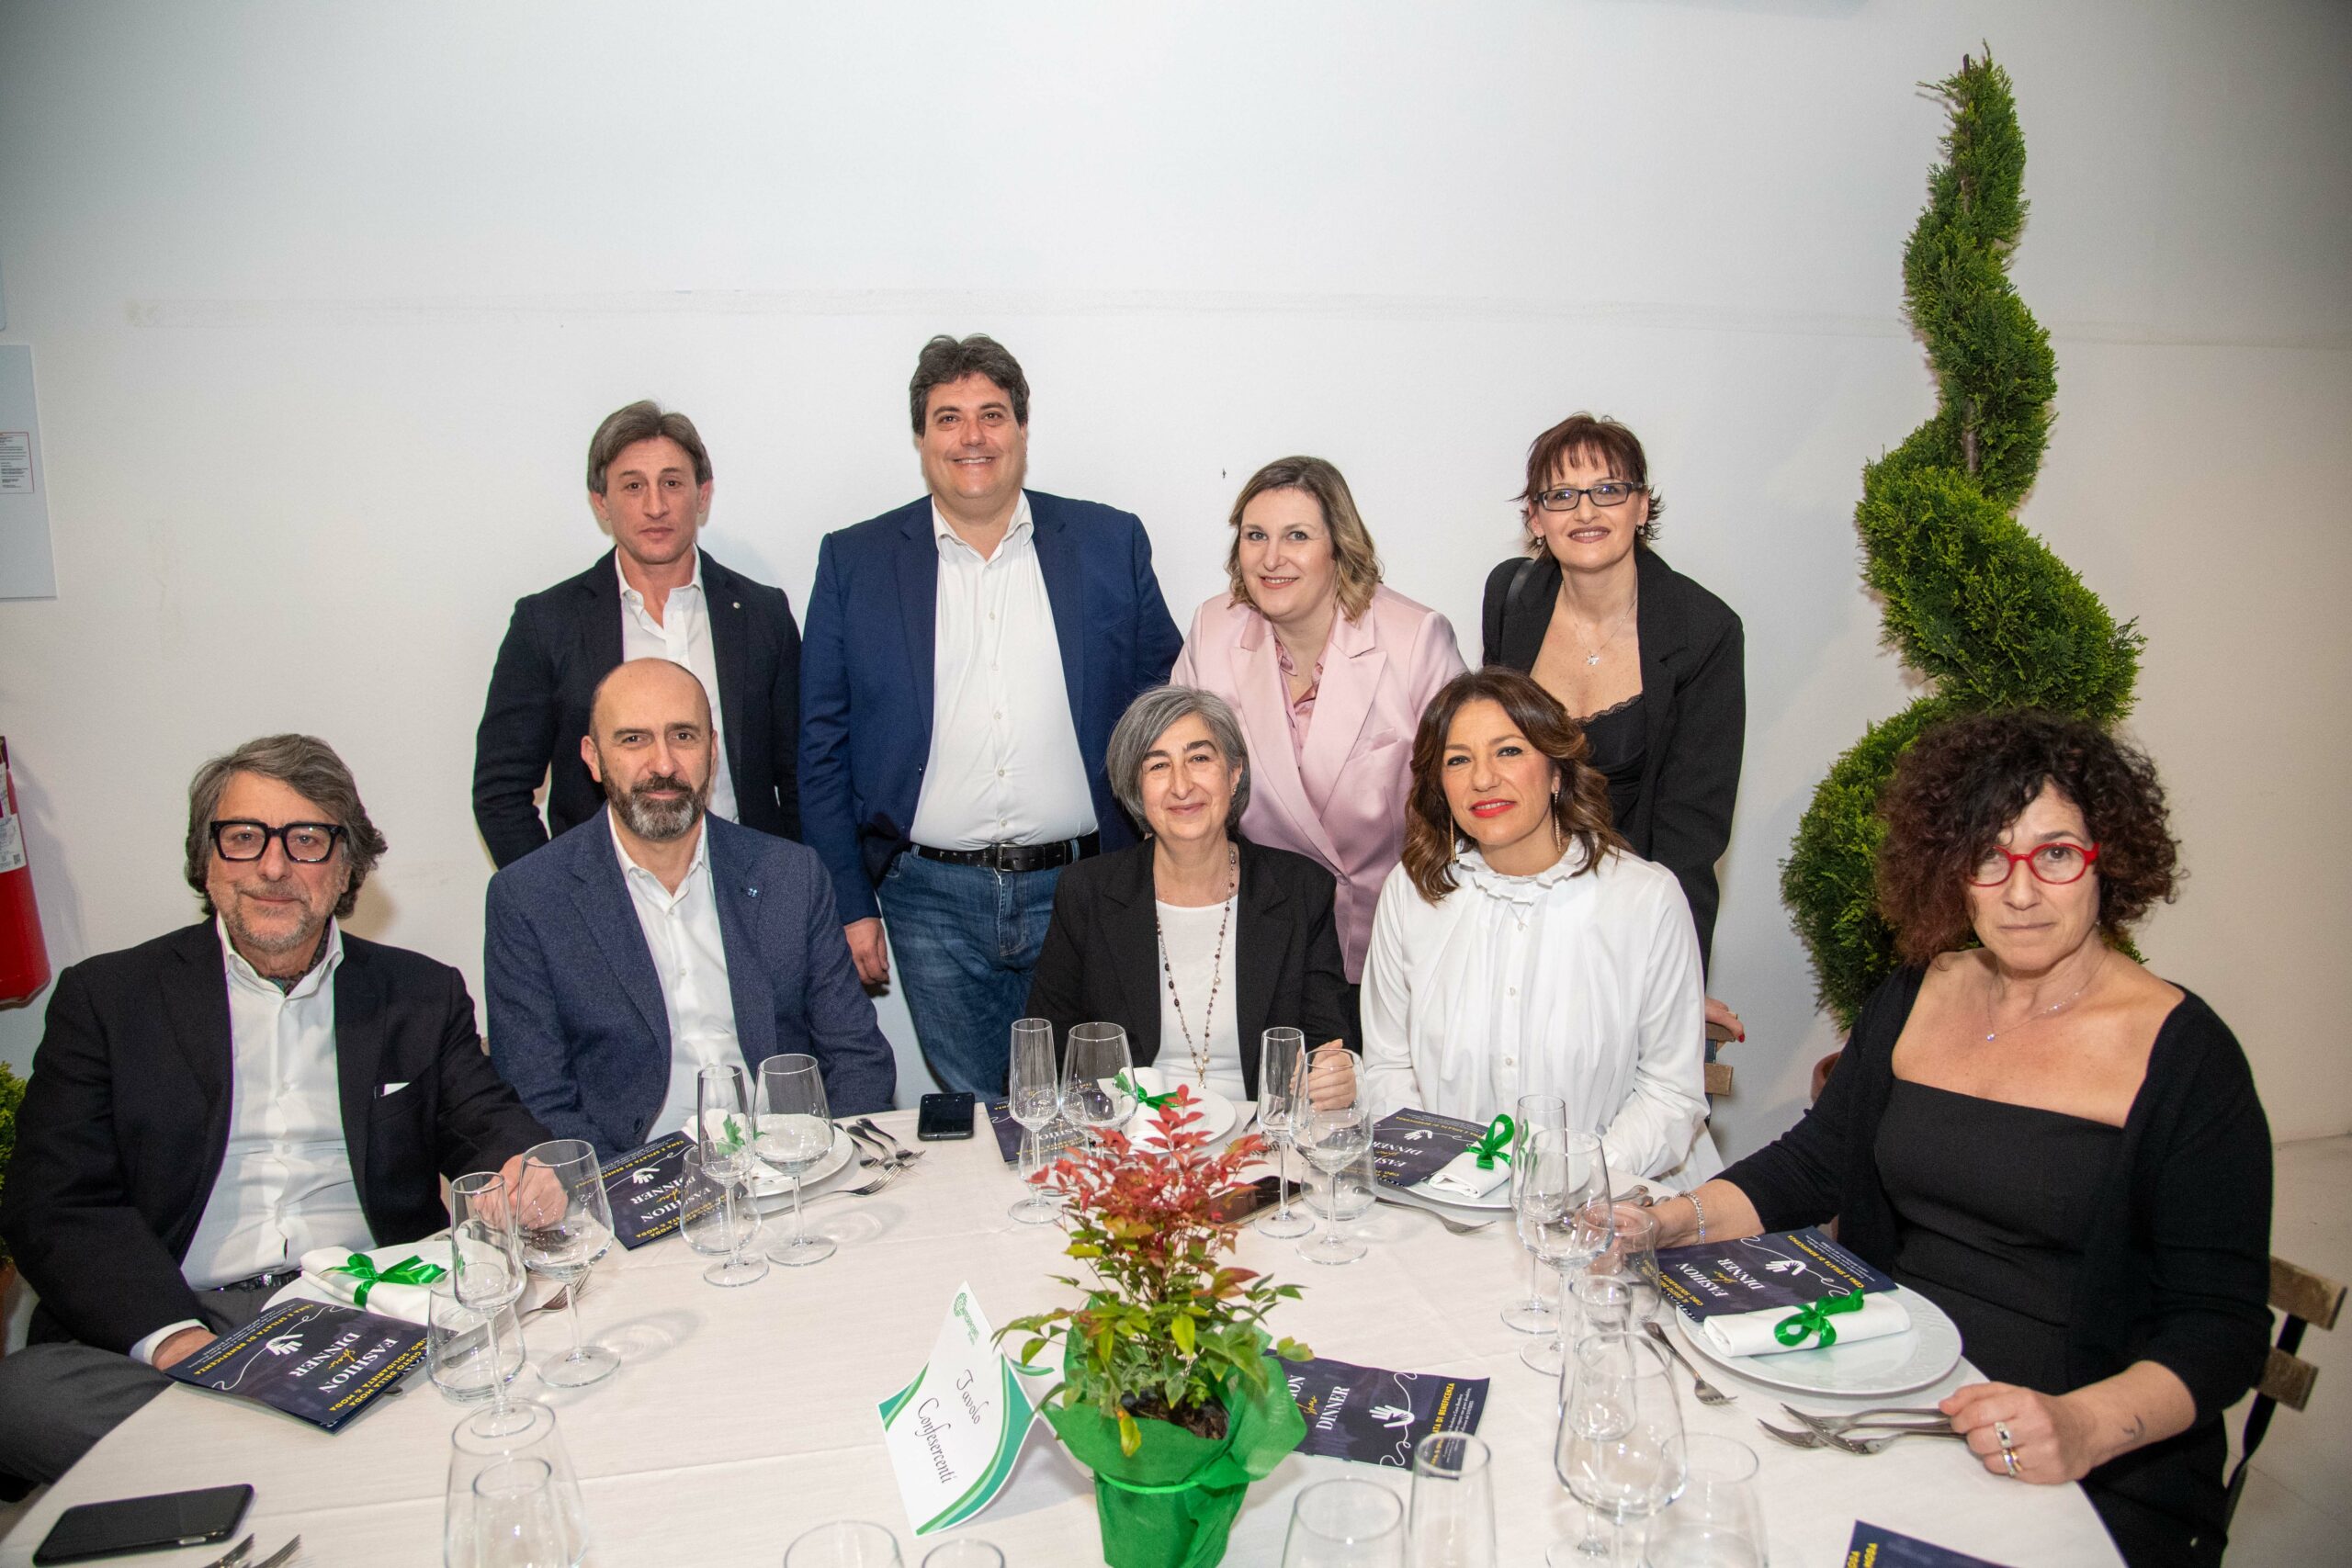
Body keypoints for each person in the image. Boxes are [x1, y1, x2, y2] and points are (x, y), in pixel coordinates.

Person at [1641, 712, 2270, 1568]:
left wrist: (2083, 1424)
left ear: (2108, 859)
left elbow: (2221, 1327)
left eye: (2055, 853)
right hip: (1882, 1396)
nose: (2020, 892)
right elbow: (1816, 1161)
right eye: (1988, 856)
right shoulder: (1920, 992)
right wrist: (1668, 1220)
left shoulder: (2185, 1054)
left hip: (2079, 1451)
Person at [0, 736, 550, 1483]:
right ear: (207, 859)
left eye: (306, 839)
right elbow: (55, 1202)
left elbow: (488, 1121)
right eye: (243, 836)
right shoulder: (108, 999)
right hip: (183, 1316)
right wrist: (180, 1344)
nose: (272, 866)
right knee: (23, 1398)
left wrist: (522, 1169)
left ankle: (233, 1458)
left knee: (518, 1341)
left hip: (366, 1317)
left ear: (346, 864)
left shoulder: (419, 995)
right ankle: (325, 1451)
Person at [798, 333, 1182, 1097]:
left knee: (1094, 1102)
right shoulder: (855, 561)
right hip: (928, 899)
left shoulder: (1109, 542)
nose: (972, 436)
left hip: (1086, 884)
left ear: (1022, 429)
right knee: (980, 1114)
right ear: (921, 438)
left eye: (992, 415)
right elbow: (820, 745)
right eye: (949, 417)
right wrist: (848, 901)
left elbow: (1165, 703)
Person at [486, 659, 895, 1160]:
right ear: (593, 757)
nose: (663, 765)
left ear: (712, 750)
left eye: (683, 736)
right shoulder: (529, 898)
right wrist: (623, 1188)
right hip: (629, 1175)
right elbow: (539, 1100)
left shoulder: (791, 874)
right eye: (633, 739)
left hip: (792, 1164)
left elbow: (857, 1057)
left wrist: (830, 1163)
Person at [1360, 668, 1713, 1186]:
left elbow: (1669, 1094)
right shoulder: (1411, 893)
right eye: (1458, 760)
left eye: (1508, 751)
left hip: (1609, 1196)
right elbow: (1388, 1069)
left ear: (1556, 772)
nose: (1483, 779)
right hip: (1444, 1197)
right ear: (1439, 786)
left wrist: (1568, 1180)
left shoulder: (1645, 900)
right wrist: (1448, 1178)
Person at [1170, 457, 1465, 1020]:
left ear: (1340, 547)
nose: (1271, 558)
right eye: (1256, 535)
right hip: (1256, 936)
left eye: (1297, 536)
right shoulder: (1213, 629)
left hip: (1390, 942)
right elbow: (1174, 779)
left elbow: (1463, 798)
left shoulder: (1414, 637)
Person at [1480, 413, 1745, 1038]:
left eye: (1608, 489)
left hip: (1627, 927)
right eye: (1561, 495)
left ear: (1642, 506)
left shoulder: (1703, 631)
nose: (1586, 511)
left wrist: (1679, 982)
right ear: (1535, 518)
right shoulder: (1510, 596)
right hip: (1513, 912)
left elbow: (1692, 831)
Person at [473, 400, 804, 869]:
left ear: (702, 494)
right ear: (601, 502)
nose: (655, 506)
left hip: (745, 881)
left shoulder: (762, 615)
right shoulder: (546, 623)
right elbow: (501, 792)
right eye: (633, 486)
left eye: (672, 483)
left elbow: (801, 777)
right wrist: (556, 894)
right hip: (603, 893)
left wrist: (789, 882)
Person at [1027, 686, 1358, 1105]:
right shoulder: (1087, 892)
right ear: (1136, 790)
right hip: (1129, 1130)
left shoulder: (1300, 890)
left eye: (1199, 759)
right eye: (1158, 766)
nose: (1181, 786)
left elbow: (1327, 1044)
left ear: (1234, 773)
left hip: (1262, 1130)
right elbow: (1045, 1057)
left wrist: (1334, 1074)